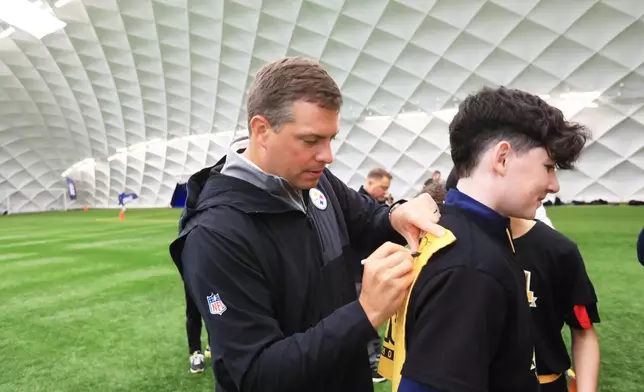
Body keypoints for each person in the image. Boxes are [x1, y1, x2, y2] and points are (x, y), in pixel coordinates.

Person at [169, 57, 444, 392]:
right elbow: (257, 373)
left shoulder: (314, 180)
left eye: (331, 139)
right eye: (311, 140)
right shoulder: (215, 234)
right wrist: (366, 312)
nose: (327, 155)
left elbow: (367, 219)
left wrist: (397, 214)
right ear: (261, 130)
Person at [383, 86, 590, 392]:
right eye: (548, 167)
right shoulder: (472, 267)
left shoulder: (449, 230)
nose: (554, 185)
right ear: (502, 158)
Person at [510, 217, 600, 392]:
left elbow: (583, 331)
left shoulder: (558, 249)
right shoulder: (454, 240)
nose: (553, 188)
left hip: (544, 383)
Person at [355, 167, 394, 382]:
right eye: (383, 187)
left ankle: (376, 358)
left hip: (370, 272)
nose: (385, 192)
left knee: (377, 318)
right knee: (366, 318)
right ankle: (371, 364)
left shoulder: (377, 208)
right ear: (371, 182)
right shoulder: (355, 209)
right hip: (358, 274)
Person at [184, 283, 211, 373]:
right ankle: (195, 352)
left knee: (214, 305)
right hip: (192, 273)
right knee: (193, 308)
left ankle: (213, 344)